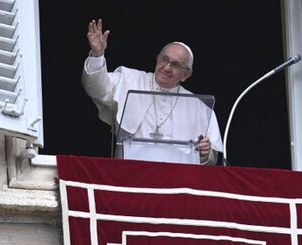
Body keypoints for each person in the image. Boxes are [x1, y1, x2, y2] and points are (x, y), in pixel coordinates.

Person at [82, 19, 222, 165]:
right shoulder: (130, 80)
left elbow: (211, 159)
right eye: (164, 59)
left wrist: (205, 154)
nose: (167, 67)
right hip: (130, 175)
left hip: (177, 182)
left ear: (186, 74)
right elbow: (96, 88)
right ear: (157, 60)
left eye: (175, 64)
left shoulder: (199, 108)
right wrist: (97, 55)